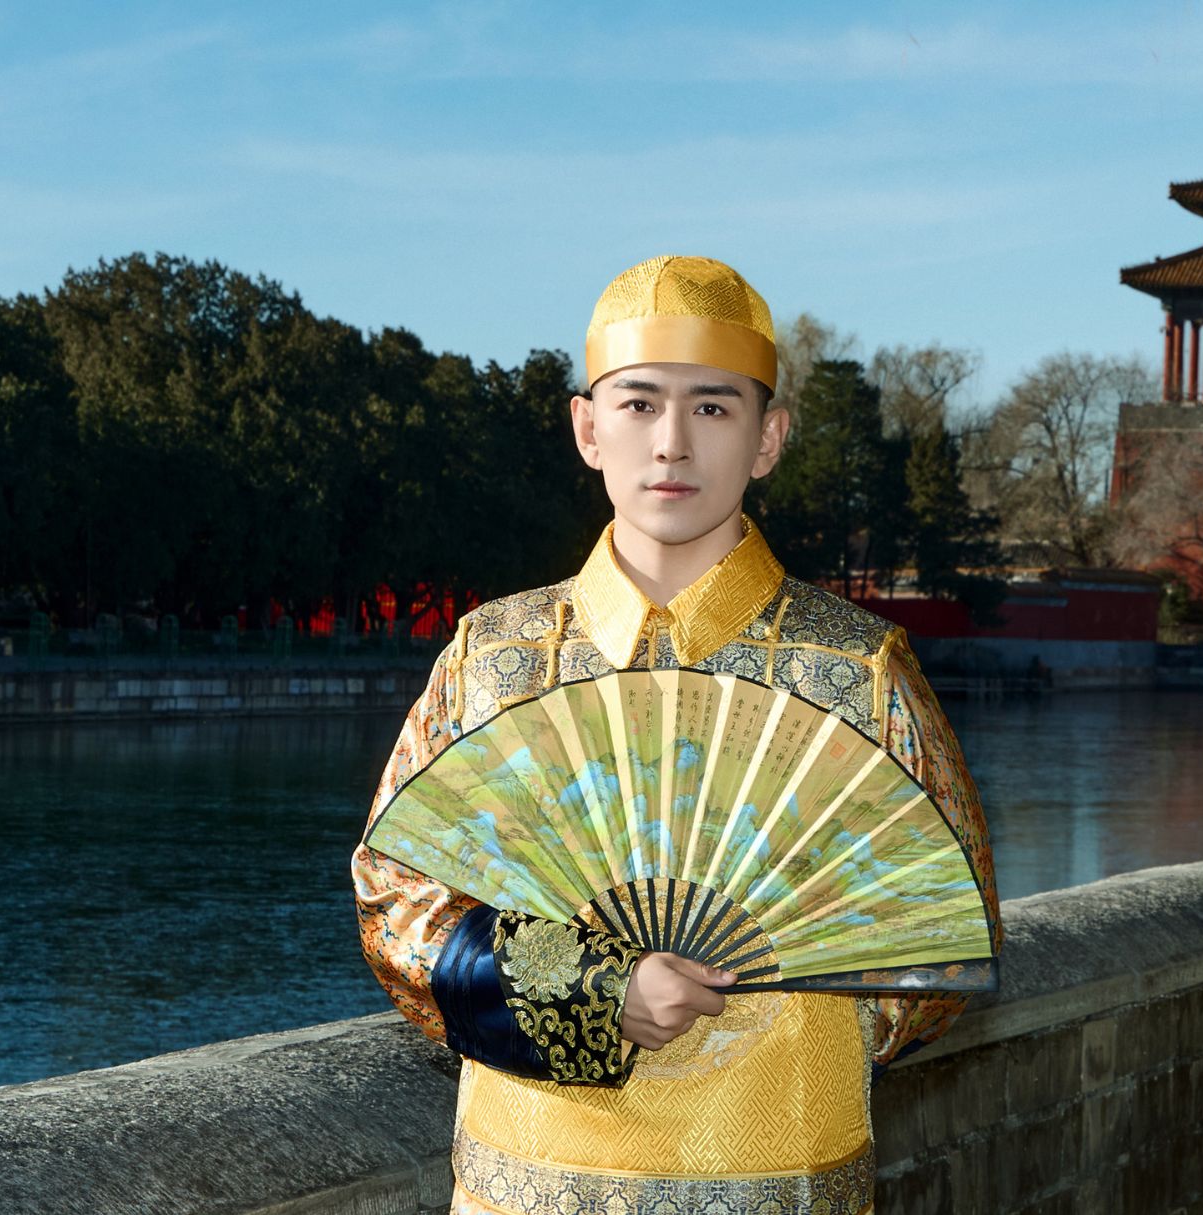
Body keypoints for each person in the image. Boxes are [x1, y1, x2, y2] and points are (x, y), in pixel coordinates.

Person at [351, 254, 998, 1215]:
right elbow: (397, 905)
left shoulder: (861, 673)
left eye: (712, 407)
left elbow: (942, 943)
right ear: (588, 428)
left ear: (768, 438)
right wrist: (594, 990)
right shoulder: (493, 658)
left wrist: (785, 992)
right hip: (527, 1187)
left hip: (782, 1179)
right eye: (640, 403)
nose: (672, 444)